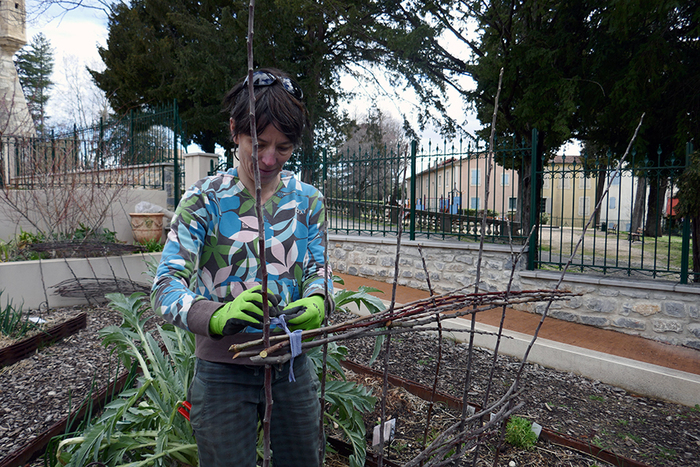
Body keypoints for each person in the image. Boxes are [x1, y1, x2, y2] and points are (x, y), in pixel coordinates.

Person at [151, 68, 332, 467]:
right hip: (221, 372)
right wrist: (216, 316)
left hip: (291, 367)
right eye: (259, 143)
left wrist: (319, 299)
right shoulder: (205, 200)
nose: (269, 159)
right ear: (235, 130)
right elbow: (164, 288)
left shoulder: (308, 202)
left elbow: (320, 272)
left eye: (283, 148)